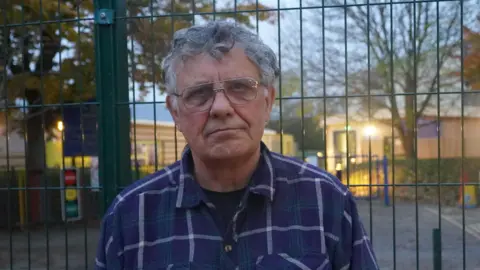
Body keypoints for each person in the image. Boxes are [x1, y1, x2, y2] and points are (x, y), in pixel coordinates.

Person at [95, 20, 379, 270]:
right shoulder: (130, 216)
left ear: (267, 102)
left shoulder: (326, 200)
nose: (220, 107)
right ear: (175, 112)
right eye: (199, 94)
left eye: (240, 88)